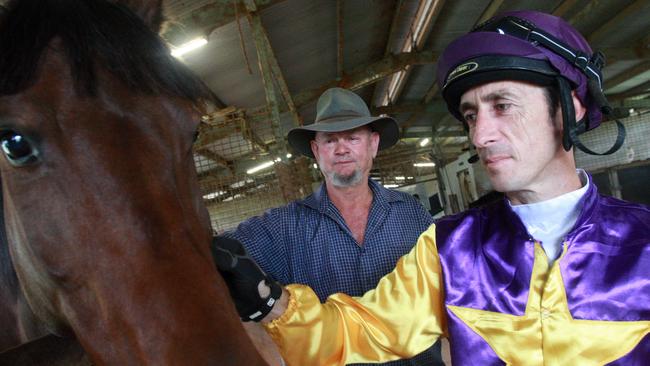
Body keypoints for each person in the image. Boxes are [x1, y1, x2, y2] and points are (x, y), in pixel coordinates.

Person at [214, 11, 650, 365]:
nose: (480, 136)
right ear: (315, 150)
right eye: (472, 115)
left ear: (570, 108)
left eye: (502, 106)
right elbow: (360, 330)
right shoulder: (448, 246)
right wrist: (271, 304)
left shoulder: (643, 244)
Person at [219, 87, 443, 365]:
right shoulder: (284, 227)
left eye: (352, 137)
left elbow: (444, 283)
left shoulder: (411, 213)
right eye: (329, 140)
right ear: (316, 150)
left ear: (373, 144)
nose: (341, 149)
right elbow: (214, 255)